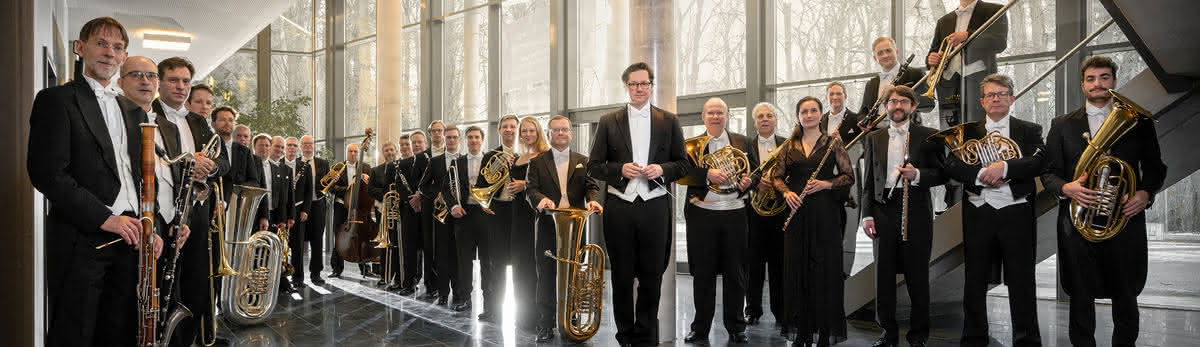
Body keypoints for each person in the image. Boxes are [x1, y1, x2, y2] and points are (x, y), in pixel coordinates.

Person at [28, 17, 166, 346]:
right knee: (75, 334)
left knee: (119, 332)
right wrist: (105, 218)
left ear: (123, 56)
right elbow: (48, 173)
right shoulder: (57, 100)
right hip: (83, 239)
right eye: (101, 44)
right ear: (81, 48)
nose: (109, 52)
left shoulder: (132, 110)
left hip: (132, 236)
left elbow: (142, 178)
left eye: (117, 47)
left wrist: (153, 224)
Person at [1041, 56, 1167, 347]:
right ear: (1083, 84)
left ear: (1114, 81)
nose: (1098, 84)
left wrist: (1144, 194)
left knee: (1125, 291)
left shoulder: (1139, 121)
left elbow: (1156, 168)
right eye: (1091, 78)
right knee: (1081, 292)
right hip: (1077, 220)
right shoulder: (1062, 125)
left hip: (1124, 218)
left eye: (1105, 77)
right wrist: (1068, 187)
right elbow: (1048, 173)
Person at [586, 62, 689, 346]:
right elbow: (594, 167)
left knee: (652, 277)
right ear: (627, 87)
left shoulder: (669, 121)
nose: (639, 89)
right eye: (634, 84)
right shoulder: (609, 121)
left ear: (651, 86)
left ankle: (645, 336)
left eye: (644, 83)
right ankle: (624, 335)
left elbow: (683, 165)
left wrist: (662, 170)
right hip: (620, 207)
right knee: (621, 276)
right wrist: (619, 169)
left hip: (655, 208)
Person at [940, 74, 1044, 347]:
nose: (996, 98)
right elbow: (951, 165)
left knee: (1022, 281)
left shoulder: (1030, 129)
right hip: (979, 212)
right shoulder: (968, 132)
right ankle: (974, 339)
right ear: (982, 101)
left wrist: (1006, 168)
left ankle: (1027, 341)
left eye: (1001, 93)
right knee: (974, 280)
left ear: (1012, 98)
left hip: (1016, 212)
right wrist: (981, 174)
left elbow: (1039, 163)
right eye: (990, 94)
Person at [859, 86, 947, 347]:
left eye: (903, 101)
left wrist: (918, 175)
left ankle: (918, 335)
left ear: (912, 106)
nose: (897, 105)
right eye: (892, 101)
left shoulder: (930, 136)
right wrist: (867, 215)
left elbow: (943, 174)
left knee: (917, 275)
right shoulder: (874, 138)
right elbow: (867, 183)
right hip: (883, 207)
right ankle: (887, 332)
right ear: (886, 107)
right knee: (883, 277)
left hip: (916, 206)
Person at [152, 56, 230, 347]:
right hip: (165, 212)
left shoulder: (197, 121)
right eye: (173, 80)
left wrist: (210, 167)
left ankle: (190, 339)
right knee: (165, 283)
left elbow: (223, 161)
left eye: (185, 81)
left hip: (196, 212)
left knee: (195, 281)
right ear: (160, 82)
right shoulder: (149, 113)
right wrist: (189, 164)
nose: (180, 87)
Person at [772, 96, 854, 346]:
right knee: (797, 272)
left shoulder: (833, 143)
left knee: (824, 273)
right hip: (797, 214)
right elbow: (776, 176)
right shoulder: (789, 145)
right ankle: (802, 332)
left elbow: (848, 176)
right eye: (804, 111)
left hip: (825, 215)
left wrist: (826, 183)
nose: (808, 115)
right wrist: (786, 192)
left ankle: (825, 334)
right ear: (798, 116)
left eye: (813, 110)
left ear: (821, 114)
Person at [679, 98, 754, 344]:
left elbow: (755, 170)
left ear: (727, 115)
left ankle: (736, 327)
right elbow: (681, 173)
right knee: (703, 274)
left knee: (736, 273)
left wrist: (747, 181)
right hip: (703, 213)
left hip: (735, 212)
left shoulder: (742, 141)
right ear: (703, 116)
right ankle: (700, 328)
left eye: (720, 112)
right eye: (711, 112)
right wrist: (707, 174)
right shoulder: (690, 145)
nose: (715, 116)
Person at [526, 115, 603, 342]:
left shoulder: (583, 160)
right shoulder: (538, 161)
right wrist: (541, 200)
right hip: (549, 226)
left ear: (571, 133)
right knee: (546, 276)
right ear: (548, 134)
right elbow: (531, 189)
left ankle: (573, 318)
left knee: (575, 276)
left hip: (574, 228)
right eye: (556, 130)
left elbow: (592, 186)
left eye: (565, 130)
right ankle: (545, 324)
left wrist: (592, 199)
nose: (560, 133)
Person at [927, 0, 1008, 127]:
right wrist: (932, 59)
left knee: (979, 129)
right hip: (948, 86)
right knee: (950, 131)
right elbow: (934, 51)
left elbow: (1000, 43)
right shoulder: (943, 21)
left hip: (979, 83)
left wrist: (968, 35)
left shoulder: (994, 10)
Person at [744, 102, 787, 326]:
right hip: (754, 213)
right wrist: (755, 184)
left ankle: (781, 311)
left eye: (769, 115)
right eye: (760, 116)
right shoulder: (746, 145)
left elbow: (793, 173)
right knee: (754, 265)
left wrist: (779, 185)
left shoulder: (788, 144)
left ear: (775, 120)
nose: (765, 119)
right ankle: (752, 310)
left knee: (780, 264)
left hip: (780, 212)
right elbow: (743, 174)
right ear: (755, 122)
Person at [474, 115, 519, 322]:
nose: (509, 130)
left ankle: (524, 312)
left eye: (512, 126)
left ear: (517, 129)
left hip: (520, 212)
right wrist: (485, 205)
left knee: (521, 263)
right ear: (499, 130)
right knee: (495, 263)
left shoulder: (526, 154)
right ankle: (493, 309)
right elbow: (481, 186)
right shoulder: (491, 155)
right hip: (498, 211)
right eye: (505, 127)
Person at [508, 116, 550, 333]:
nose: (527, 134)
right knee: (520, 265)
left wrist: (525, 184)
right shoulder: (517, 158)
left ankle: (540, 317)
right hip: (517, 214)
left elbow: (549, 185)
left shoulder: (545, 156)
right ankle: (523, 316)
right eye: (524, 131)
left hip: (534, 214)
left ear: (538, 132)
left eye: (531, 130)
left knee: (536, 266)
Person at [822, 81, 864, 278]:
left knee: (848, 227)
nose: (835, 97)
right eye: (832, 94)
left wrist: (841, 143)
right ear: (827, 97)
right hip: (825, 180)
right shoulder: (820, 119)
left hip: (849, 178)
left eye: (839, 93)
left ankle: (845, 271)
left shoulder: (856, 119)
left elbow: (863, 146)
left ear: (845, 96)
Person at [419, 126, 464, 306]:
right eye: (449, 137)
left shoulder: (465, 160)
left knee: (459, 255)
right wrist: (438, 194)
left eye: (454, 137)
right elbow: (423, 186)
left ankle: (459, 293)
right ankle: (443, 293)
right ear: (444, 139)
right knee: (443, 255)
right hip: (441, 215)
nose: (451, 140)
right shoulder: (435, 161)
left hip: (461, 214)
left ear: (459, 139)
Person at [860, 37, 934, 120]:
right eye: (880, 53)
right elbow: (862, 113)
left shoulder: (915, 73)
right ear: (875, 58)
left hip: (908, 130)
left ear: (897, 52)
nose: (885, 55)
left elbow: (928, 104)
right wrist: (863, 122)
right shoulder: (871, 83)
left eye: (888, 50)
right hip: (877, 131)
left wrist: (898, 94)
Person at [329, 142, 373, 278]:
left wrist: (367, 180)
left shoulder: (366, 167)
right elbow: (331, 188)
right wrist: (349, 189)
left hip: (359, 207)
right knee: (339, 236)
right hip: (341, 206)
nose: (353, 154)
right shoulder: (337, 168)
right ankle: (337, 268)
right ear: (346, 153)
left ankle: (365, 268)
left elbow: (371, 187)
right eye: (350, 151)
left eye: (355, 151)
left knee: (363, 236)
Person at [295, 135, 331, 285]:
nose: (308, 146)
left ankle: (316, 274)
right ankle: (297, 276)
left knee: (317, 240)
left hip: (317, 205)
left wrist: (332, 182)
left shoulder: (323, 163)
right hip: (300, 206)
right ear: (300, 146)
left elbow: (328, 185)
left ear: (314, 146)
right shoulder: (295, 163)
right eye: (305, 144)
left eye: (310, 144)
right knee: (297, 241)